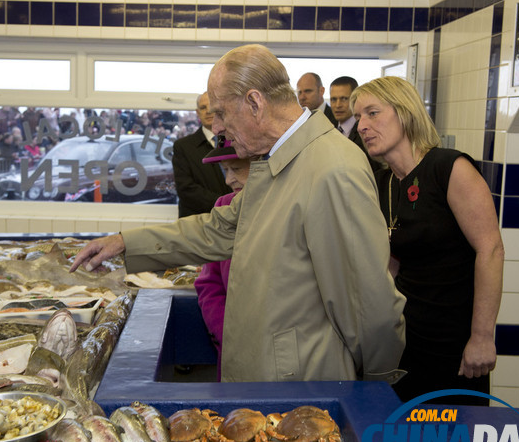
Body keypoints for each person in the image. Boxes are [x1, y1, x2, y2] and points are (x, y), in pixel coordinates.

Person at [71, 44, 406, 384]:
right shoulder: (278, 159)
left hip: (301, 389)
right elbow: (217, 230)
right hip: (266, 379)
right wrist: (125, 243)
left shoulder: (331, 167)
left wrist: (376, 385)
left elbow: (369, 305)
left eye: (221, 113)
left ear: (255, 103)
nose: (216, 128)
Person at [351, 76, 504, 405]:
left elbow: (490, 250)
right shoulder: (382, 182)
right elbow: (390, 265)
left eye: (372, 113)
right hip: (406, 340)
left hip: (454, 342)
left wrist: (481, 337)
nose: (362, 125)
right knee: (402, 441)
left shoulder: (449, 168)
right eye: (358, 117)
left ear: (405, 113)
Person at [193, 136, 250, 377]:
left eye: (236, 169)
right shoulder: (223, 205)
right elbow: (209, 282)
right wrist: (227, 333)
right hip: (231, 350)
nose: (228, 180)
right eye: (224, 170)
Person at [171, 92, 231, 217]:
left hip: (233, 220)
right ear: (198, 113)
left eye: (211, 106)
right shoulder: (183, 146)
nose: (208, 111)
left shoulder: (236, 141)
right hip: (198, 222)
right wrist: (224, 204)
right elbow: (186, 189)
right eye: (203, 108)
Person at [329, 76, 381, 174]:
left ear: (354, 100)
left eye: (344, 99)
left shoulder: (367, 131)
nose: (338, 105)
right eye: (333, 99)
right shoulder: (328, 127)